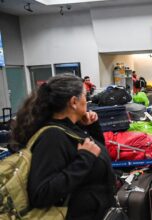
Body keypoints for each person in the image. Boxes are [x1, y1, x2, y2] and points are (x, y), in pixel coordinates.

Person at [10, 74, 116, 220]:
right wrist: (84, 159)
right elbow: (41, 194)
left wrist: (92, 129)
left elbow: (99, 159)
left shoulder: (71, 129)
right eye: (85, 96)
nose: (88, 101)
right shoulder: (52, 137)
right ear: (74, 101)